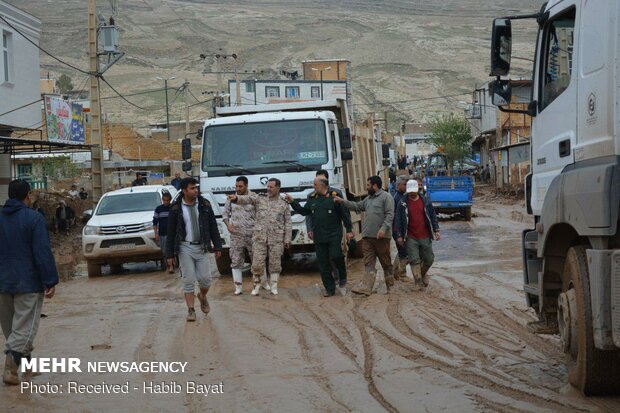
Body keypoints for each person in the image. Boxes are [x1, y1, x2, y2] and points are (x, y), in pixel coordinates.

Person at [0, 180, 58, 385]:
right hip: (28, 283)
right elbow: (42, 252)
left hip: (2, 284)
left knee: (12, 330)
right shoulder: (34, 219)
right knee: (24, 330)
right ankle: (10, 370)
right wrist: (50, 279)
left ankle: (26, 368)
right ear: (28, 195)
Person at [166, 178, 222, 322]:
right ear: (184, 191)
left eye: (196, 188)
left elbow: (213, 227)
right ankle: (191, 310)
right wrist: (169, 254)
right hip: (185, 247)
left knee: (205, 280)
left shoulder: (204, 205)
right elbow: (171, 232)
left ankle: (202, 296)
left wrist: (218, 246)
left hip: (202, 246)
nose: (195, 190)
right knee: (188, 279)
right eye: (192, 188)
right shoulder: (175, 208)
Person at [286, 178, 354, 297]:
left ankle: (342, 276)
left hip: (334, 233)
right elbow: (303, 211)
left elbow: (344, 214)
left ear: (322, 185)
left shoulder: (334, 197)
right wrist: (292, 202)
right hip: (319, 236)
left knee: (336, 255)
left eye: (315, 184)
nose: (313, 186)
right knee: (323, 263)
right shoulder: (313, 199)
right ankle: (329, 288)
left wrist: (349, 230)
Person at [228, 178, 291, 296]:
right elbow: (247, 199)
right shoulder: (260, 199)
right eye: (268, 186)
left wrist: (287, 239)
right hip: (259, 237)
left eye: (271, 187)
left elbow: (288, 222)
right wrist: (236, 198)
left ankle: (274, 286)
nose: (268, 189)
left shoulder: (284, 203)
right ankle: (256, 286)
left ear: (278, 188)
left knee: (275, 263)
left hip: (276, 237)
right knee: (257, 263)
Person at [334, 176, 394, 295]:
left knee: (386, 263)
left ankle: (390, 287)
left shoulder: (386, 197)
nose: (366, 188)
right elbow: (357, 206)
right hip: (368, 238)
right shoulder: (368, 199)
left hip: (381, 238)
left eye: (368, 185)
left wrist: (383, 229)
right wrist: (342, 201)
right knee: (368, 262)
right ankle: (367, 288)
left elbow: (389, 215)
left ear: (375, 186)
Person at [223, 176, 266, 295]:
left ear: (246, 185)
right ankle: (238, 287)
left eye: (240, 186)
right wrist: (228, 225)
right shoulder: (230, 198)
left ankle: (262, 283)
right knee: (236, 260)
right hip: (236, 235)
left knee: (257, 259)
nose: (238, 188)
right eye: (236, 186)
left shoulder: (254, 197)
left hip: (253, 234)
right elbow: (225, 214)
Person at [394, 180, 440, 290]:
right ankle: (418, 282)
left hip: (425, 235)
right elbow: (398, 220)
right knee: (414, 260)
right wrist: (399, 235)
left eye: (414, 191)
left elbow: (432, 216)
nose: (412, 194)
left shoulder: (425, 201)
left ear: (417, 190)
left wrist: (436, 230)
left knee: (429, 259)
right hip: (410, 236)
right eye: (410, 192)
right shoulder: (402, 203)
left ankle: (423, 273)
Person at [392, 175, 409, 280]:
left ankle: (395, 272)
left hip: (403, 229)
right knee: (403, 251)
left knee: (403, 250)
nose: (406, 186)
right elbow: (394, 216)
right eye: (404, 184)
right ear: (398, 185)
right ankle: (401, 274)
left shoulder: (403, 196)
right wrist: (397, 232)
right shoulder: (396, 198)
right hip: (397, 229)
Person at [153, 192, 173, 273]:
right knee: (164, 251)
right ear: (162, 200)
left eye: (167, 200)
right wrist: (156, 233)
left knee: (172, 251)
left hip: (172, 233)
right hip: (162, 234)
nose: (166, 202)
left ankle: (171, 266)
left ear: (170, 200)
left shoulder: (173, 208)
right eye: (164, 200)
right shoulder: (158, 209)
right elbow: (155, 222)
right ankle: (168, 266)